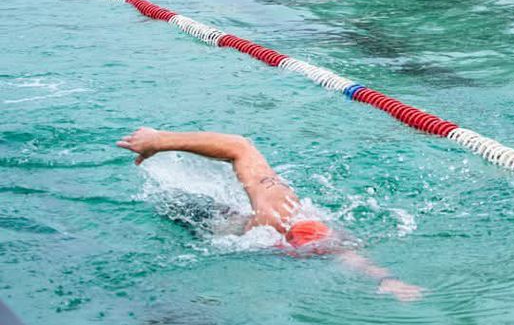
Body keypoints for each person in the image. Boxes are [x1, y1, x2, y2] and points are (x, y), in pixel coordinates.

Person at [117, 127, 423, 300]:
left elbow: (349, 256)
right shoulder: (278, 209)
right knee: (172, 201)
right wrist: (160, 141)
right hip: (211, 220)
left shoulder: (307, 238)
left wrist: (387, 280)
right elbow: (239, 146)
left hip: (230, 239)